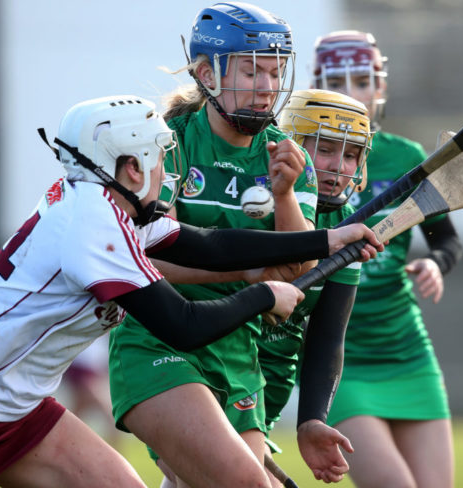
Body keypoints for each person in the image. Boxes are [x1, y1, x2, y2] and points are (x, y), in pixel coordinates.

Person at [0, 94, 382, 488]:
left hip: (20, 412)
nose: (166, 172)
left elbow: (208, 246)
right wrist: (264, 297)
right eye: (158, 158)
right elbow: (181, 326)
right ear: (130, 166)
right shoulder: (95, 228)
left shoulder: (113, 208)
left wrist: (326, 238)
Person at [107, 3, 358, 487]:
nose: (267, 87)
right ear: (208, 73)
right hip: (158, 340)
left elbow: (299, 263)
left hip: (240, 351)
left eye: (275, 72)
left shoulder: (289, 154)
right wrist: (247, 274)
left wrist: (284, 194)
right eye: (252, 71)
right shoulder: (166, 144)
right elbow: (150, 258)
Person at [313, 30, 463, 488]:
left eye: (361, 80)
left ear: (379, 87)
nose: (349, 93)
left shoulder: (406, 157)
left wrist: (436, 263)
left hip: (407, 349)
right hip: (339, 357)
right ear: (316, 86)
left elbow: (446, 239)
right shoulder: (299, 155)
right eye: (336, 82)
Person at [257, 88, 375, 485]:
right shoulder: (258, 200)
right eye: (325, 149)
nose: (337, 166)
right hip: (218, 373)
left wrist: (311, 420)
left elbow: (327, 336)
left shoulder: (346, 218)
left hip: (270, 391)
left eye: (350, 154)